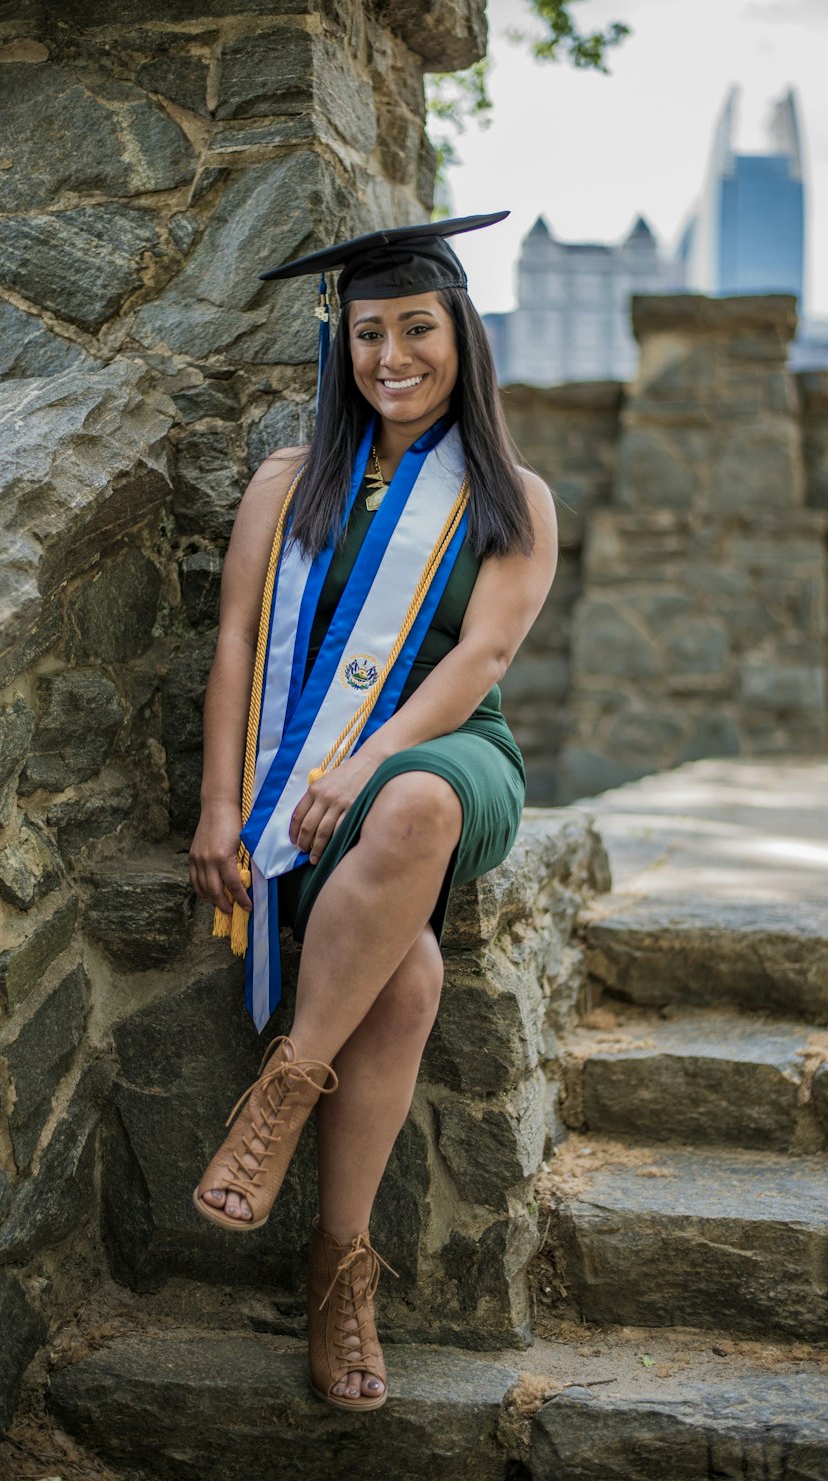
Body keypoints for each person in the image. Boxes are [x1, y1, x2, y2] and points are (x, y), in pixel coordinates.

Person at [187, 213, 558, 1412]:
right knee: (407, 983)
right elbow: (237, 642)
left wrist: (370, 757)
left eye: (415, 328)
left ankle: (285, 1083)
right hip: (296, 779)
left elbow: (479, 659)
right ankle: (340, 1270)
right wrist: (216, 806)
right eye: (367, 334)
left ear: (461, 335)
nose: (391, 355)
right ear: (338, 347)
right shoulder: (290, 482)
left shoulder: (511, 496)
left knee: (408, 806)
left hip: (447, 764)